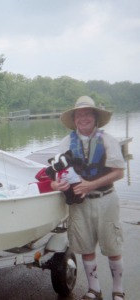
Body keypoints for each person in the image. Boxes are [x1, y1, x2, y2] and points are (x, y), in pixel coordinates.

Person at [51, 96, 126, 300]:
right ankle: (94, 290)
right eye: (79, 114)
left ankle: (118, 291)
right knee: (85, 247)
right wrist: (57, 184)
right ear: (74, 119)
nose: (83, 118)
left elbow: (119, 172)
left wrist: (91, 184)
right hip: (79, 204)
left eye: (87, 113)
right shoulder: (66, 143)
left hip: (106, 199)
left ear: (95, 117)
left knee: (113, 247)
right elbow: (54, 177)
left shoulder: (107, 140)